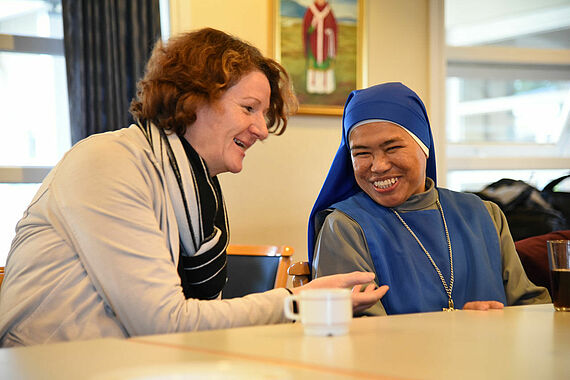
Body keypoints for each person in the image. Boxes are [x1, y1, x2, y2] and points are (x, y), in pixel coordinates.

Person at [0, 28, 388, 347]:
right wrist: (295, 302)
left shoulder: (198, 189)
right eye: (249, 108)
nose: (261, 130)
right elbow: (165, 322)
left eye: (264, 115)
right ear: (194, 98)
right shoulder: (108, 162)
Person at [308, 82, 551, 316]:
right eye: (361, 153)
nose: (378, 166)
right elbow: (362, 335)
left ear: (425, 147)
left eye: (392, 148)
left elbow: (529, 307)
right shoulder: (345, 227)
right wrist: (456, 331)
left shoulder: (485, 214)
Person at [303, 0, 337, 94]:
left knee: (326, 65)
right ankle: (313, 87)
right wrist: (313, 26)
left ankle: (326, 87)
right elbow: (306, 28)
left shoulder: (328, 10)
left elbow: (334, 27)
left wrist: (330, 33)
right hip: (314, 44)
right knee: (313, 65)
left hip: (326, 45)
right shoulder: (311, 10)